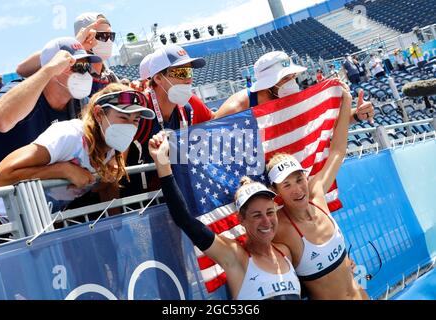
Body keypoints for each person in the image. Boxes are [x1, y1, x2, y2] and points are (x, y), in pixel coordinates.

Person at [149, 131, 301, 300]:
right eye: (257, 215)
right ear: (241, 220)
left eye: (270, 212)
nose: (266, 221)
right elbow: (184, 219)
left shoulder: (285, 252)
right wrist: (162, 162)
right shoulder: (235, 257)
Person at [266, 86, 369, 300]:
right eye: (287, 185)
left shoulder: (318, 197)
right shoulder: (280, 229)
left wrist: (347, 100)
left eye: (299, 179)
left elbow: (338, 151)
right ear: (276, 191)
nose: (298, 189)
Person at [0, 84, 155, 213]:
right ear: (98, 114)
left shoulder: (110, 146)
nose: (130, 126)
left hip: (34, 225)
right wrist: (62, 170)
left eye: (135, 120)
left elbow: (105, 188)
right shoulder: (69, 135)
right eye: (123, 117)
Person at [0, 37, 101, 181]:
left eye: (87, 67)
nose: (85, 73)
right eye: (77, 66)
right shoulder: (22, 89)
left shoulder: (80, 105)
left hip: (40, 197)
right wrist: (48, 70)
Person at [123, 44, 214, 196]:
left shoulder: (186, 110)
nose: (188, 79)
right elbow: (116, 169)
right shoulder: (137, 111)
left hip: (174, 194)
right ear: (158, 78)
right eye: (181, 72)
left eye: (189, 71)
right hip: (139, 203)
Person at [215, 51, 374, 124]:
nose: (292, 82)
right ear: (267, 84)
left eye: (293, 76)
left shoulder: (291, 98)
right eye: (285, 78)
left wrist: (357, 115)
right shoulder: (237, 108)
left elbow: (324, 122)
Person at [16, 12, 119, 95]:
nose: (109, 41)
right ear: (85, 35)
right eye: (103, 36)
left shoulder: (110, 76)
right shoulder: (70, 71)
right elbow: (22, 69)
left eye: (111, 36)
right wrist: (74, 44)